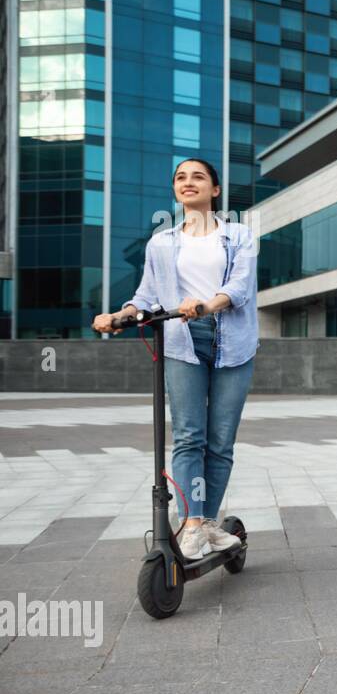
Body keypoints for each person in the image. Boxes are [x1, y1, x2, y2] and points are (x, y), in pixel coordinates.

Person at [92, 159, 258, 560]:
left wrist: (205, 305)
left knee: (220, 442)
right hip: (181, 340)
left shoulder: (239, 235)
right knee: (189, 436)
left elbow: (239, 286)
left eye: (198, 176)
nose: (188, 182)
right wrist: (119, 316)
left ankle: (209, 521)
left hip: (230, 340)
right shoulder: (161, 242)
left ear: (215, 190)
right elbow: (147, 294)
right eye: (181, 177)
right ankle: (194, 524)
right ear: (175, 190)